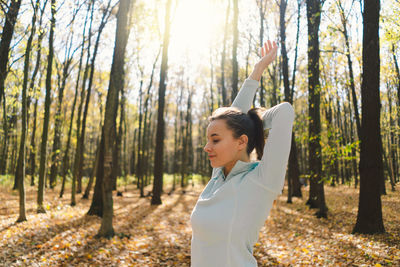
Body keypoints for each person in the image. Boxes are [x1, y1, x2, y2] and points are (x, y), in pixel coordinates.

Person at [190, 40, 295, 267]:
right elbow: (235, 114)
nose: (207, 147)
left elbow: (285, 112)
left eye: (215, 140)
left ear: (242, 142)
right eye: (208, 139)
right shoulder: (218, 177)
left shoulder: (262, 180)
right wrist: (258, 70)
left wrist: (251, 123)